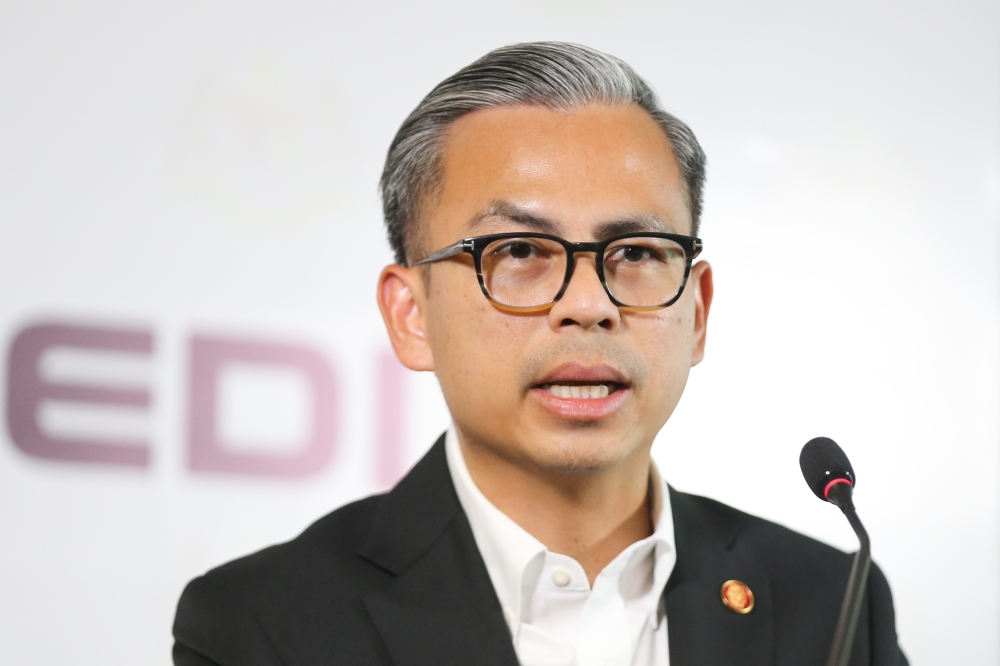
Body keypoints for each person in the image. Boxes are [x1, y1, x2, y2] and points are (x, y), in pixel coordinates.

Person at [172, 42, 908, 666]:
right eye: (519, 250)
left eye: (637, 252)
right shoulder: (265, 627)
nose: (588, 304)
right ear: (411, 314)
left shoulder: (832, 606)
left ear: (698, 310)